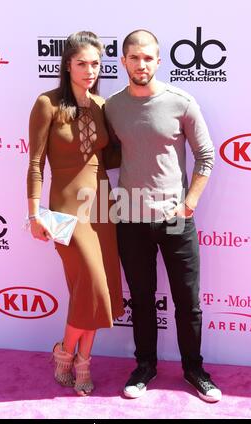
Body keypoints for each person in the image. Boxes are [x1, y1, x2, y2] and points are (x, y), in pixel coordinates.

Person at [105, 29, 222, 402]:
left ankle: (194, 369)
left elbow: (207, 156)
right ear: (123, 61)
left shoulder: (182, 102)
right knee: (140, 298)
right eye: (134, 57)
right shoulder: (112, 107)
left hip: (176, 218)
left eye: (148, 57)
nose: (142, 64)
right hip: (131, 218)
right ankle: (145, 366)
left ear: (159, 60)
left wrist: (188, 204)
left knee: (187, 300)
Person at [27, 31, 124, 396]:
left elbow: (111, 155)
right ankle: (66, 352)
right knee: (92, 285)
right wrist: (33, 214)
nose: (89, 70)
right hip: (65, 211)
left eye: (95, 64)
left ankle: (80, 357)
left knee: (94, 291)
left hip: (102, 205)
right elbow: (35, 163)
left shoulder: (102, 105)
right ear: (67, 65)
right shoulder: (46, 103)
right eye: (81, 63)